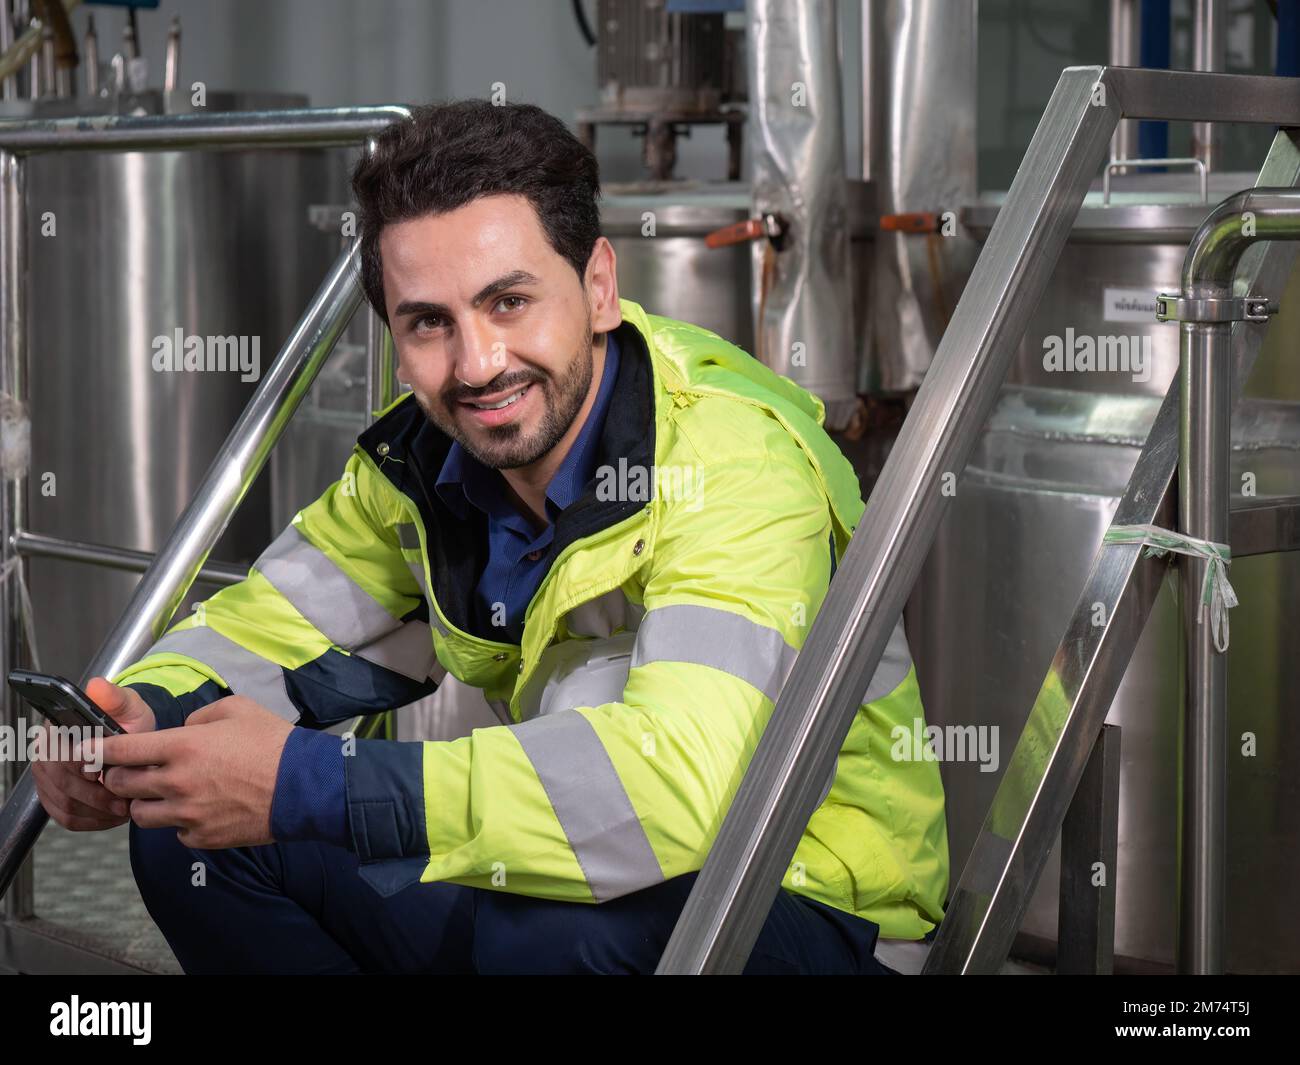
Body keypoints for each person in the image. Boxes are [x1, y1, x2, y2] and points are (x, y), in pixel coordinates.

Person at [31, 99, 948, 974]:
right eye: (429, 322)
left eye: (508, 302)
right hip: (562, 886)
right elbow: (269, 628)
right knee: (191, 836)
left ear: (597, 288)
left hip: (810, 909)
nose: (476, 364)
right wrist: (139, 726)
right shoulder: (423, 466)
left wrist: (312, 783)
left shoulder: (732, 460)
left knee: (543, 933)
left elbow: (671, 793)